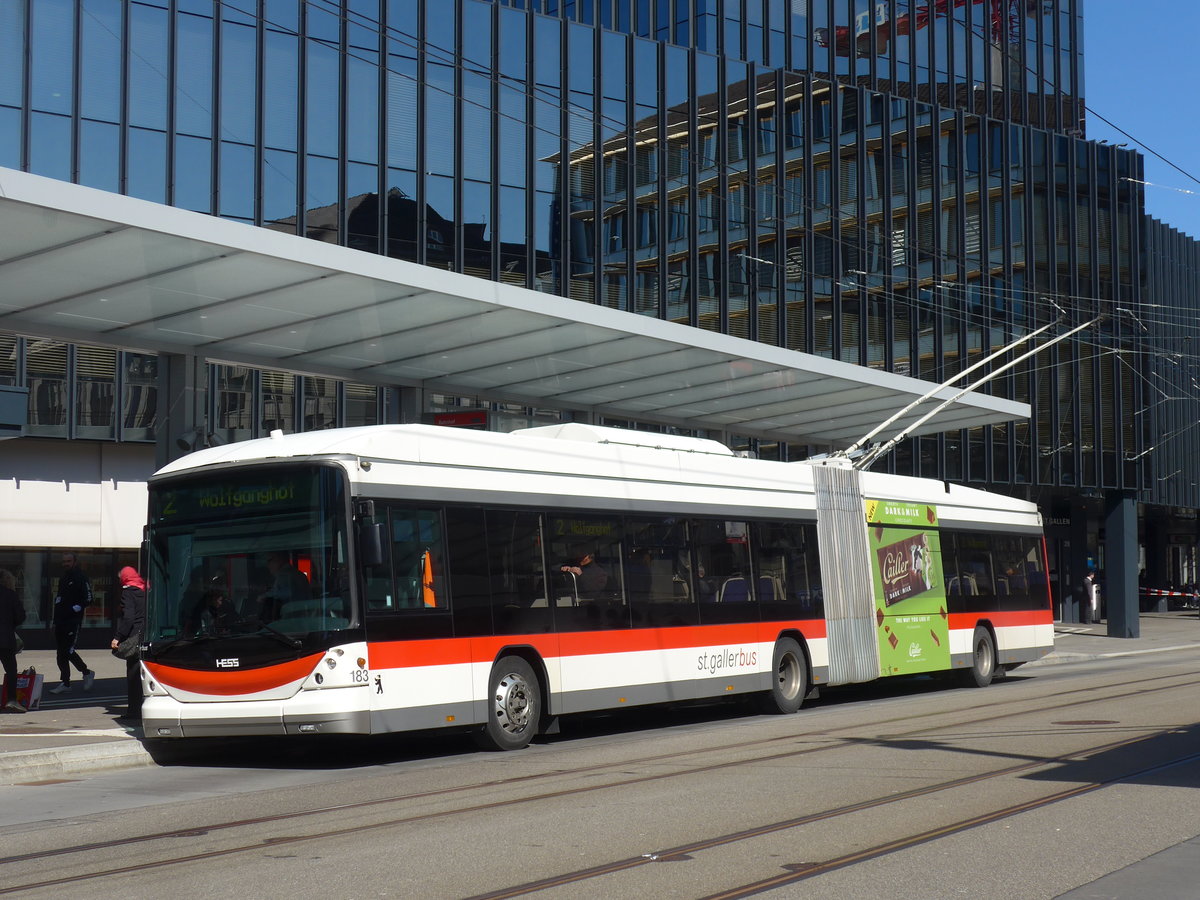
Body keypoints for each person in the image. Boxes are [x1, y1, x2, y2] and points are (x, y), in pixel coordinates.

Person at [49, 553, 95, 695]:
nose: (66, 564)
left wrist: (79, 606)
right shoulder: (64, 578)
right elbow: (59, 599)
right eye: (64, 561)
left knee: (67, 650)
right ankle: (65, 683)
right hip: (61, 620)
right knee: (60, 653)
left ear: (75, 562)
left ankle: (86, 672)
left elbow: (89, 598)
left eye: (68, 561)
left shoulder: (81, 577)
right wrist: (55, 619)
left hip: (73, 621)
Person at [110, 566, 146, 721]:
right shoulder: (145, 590)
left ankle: (134, 711)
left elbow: (128, 618)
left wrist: (118, 637)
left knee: (133, 675)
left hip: (134, 636)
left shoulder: (128, 593)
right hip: (146, 635)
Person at [0, 569, 26, 712]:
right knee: (11, 670)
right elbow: (20, 616)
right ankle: (11, 700)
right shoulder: (10, 595)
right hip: (5, 639)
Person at [257, 552, 310, 621]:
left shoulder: (285, 574)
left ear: (279, 560)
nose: (268, 565)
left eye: (270, 560)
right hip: (303, 617)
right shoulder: (299, 574)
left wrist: (265, 596)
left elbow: (287, 592)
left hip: (291, 618)